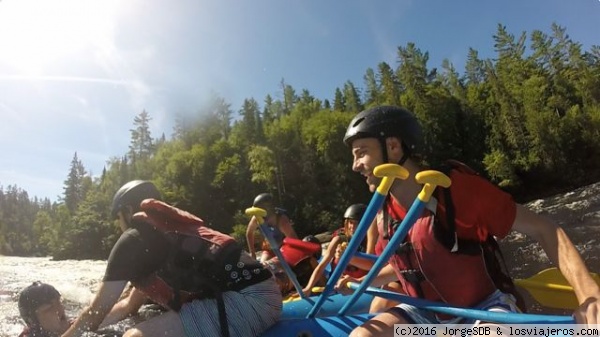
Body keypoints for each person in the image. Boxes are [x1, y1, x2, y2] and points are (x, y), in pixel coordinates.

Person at [336, 105, 600, 336]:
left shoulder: (456, 191)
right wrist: (363, 283)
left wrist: (588, 294)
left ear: (393, 146)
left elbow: (545, 229)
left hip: (485, 309)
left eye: (361, 153)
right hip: (428, 319)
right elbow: (407, 265)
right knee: (363, 335)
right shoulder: (382, 214)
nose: (355, 165)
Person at [61, 180, 281, 337]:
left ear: (127, 211)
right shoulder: (166, 233)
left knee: (134, 336)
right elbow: (128, 305)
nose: (119, 224)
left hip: (251, 301)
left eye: (118, 217)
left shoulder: (133, 241)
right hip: (264, 292)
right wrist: (78, 328)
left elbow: (94, 313)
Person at [301, 204, 372, 297]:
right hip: (338, 286)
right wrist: (308, 288)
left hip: (360, 286)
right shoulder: (339, 240)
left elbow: (372, 266)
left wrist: (348, 258)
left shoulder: (370, 240)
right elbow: (322, 265)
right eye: (351, 222)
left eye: (357, 223)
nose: (353, 227)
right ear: (346, 223)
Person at [246, 193, 298, 263]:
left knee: (278, 265)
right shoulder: (257, 217)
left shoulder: (282, 221)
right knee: (264, 266)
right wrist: (252, 253)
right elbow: (249, 233)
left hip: (285, 249)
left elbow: (295, 242)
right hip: (270, 249)